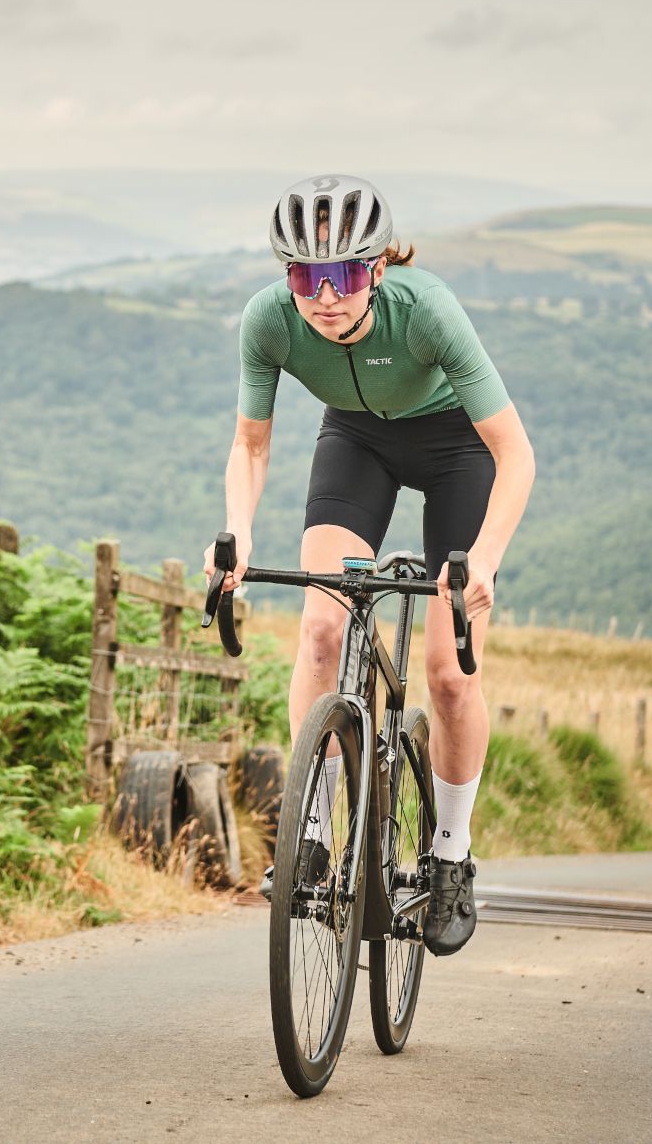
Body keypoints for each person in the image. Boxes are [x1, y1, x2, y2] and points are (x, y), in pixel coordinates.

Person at [204, 173, 534, 956]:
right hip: (357, 442)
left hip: (458, 448)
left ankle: (450, 854)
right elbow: (251, 446)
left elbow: (515, 454)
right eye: (304, 277)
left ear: (377, 268)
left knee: (451, 674)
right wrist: (237, 535)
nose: (324, 296)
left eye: (344, 275)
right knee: (320, 631)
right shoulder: (270, 322)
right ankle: (311, 830)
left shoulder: (427, 312)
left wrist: (482, 560)